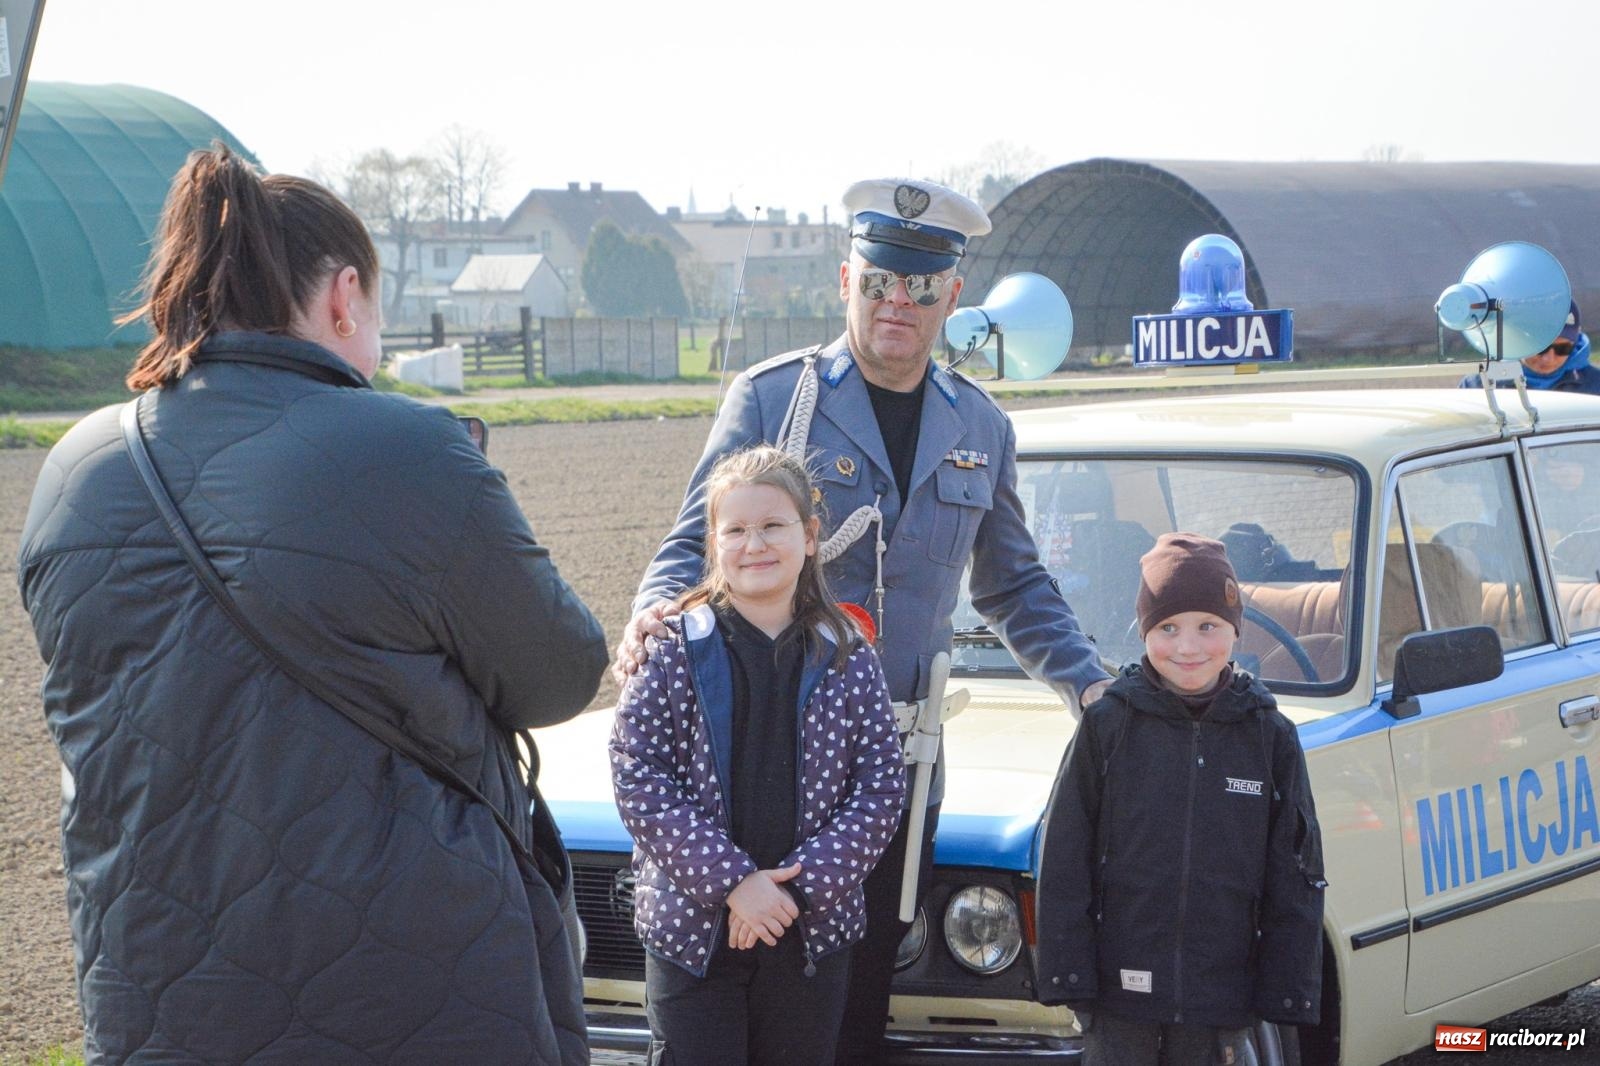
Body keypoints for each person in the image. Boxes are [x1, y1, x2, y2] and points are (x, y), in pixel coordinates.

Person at [16, 145, 608, 1065]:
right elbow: (560, 674)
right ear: (344, 296)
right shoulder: (408, 449)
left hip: (157, 987)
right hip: (413, 988)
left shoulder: (74, 473)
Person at [614, 176, 1112, 1063]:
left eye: (921, 287)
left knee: (848, 1010)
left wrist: (1090, 686)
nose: (897, 304)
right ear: (847, 281)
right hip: (751, 753)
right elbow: (697, 540)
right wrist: (650, 617)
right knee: (722, 1011)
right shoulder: (774, 400)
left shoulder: (980, 426)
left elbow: (1014, 587)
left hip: (886, 780)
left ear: (952, 296)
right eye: (879, 282)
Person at [610, 445, 906, 1065]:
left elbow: (879, 788)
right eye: (735, 530)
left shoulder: (850, 655)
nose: (755, 545)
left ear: (811, 535)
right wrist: (735, 884)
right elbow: (638, 776)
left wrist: (794, 893)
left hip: (809, 936)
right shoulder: (669, 650)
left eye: (773, 525)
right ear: (713, 542)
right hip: (693, 938)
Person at [1035, 533, 1326, 1065]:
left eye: (1207, 626)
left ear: (1235, 630)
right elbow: (1064, 859)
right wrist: (1069, 977)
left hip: (1222, 1000)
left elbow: (1296, 875)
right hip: (1118, 997)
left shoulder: (1270, 736)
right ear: (1145, 631)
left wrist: (1284, 990)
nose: (1188, 648)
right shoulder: (1108, 726)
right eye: (1168, 628)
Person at [1460, 300, 1597, 394]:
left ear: (1574, 344)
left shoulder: (1596, 386)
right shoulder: (1478, 386)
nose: (1548, 359)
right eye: (1541, 348)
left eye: (1563, 349)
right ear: (1520, 341)